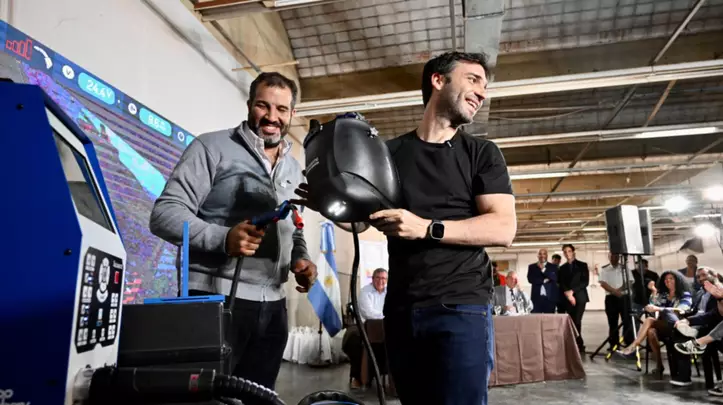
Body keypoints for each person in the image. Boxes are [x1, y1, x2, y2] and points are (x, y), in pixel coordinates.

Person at [295, 51, 516, 405]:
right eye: (473, 80)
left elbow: (503, 228)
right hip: (402, 309)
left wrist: (428, 228)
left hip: (460, 306)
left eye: (484, 86)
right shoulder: (389, 154)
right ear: (438, 80)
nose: (482, 93)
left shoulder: (481, 153)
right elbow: (364, 221)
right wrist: (330, 203)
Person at [149, 72, 317, 402]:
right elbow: (164, 214)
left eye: (281, 109)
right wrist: (223, 238)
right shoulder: (211, 147)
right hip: (215, 300)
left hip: (273, 308)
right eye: (263, 106)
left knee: (258, 398)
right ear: (249, 105)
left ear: (292, 114)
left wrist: (301, 258)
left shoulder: (294, 169)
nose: (271, 117)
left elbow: (293, 227)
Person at [616, 271, 693, 375]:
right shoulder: (664, 295)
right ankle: (659, 365)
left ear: (678, 280)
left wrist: (659, 309)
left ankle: (633, 346)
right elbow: (653, 303)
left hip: (678, 326)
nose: (667, 281)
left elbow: (682, 309)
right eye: (666, 279)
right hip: (664, 326)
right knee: (651, 331)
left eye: (671, 278)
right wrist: (653, 291)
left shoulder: (684, 294)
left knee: (649, 320)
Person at [344, 268, 388, 389]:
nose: (380, 281)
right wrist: (386, 316)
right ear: (372, 279)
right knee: (354, 342)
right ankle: (358, 377)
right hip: (363, 326)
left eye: (383, 278)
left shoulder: (390, 292)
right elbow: (368, 314)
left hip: (385, 327)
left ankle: (391, 379)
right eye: (378, 278)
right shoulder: (365, 292)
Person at [598, 253, 634, 350]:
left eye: (616, 256)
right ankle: (614, 344)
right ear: (609, 257)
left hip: (624, 297)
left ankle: (629, 343)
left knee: (627, 321)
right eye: (612, 256)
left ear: (619, 257)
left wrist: (619, 290)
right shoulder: (604, 269)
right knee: (612, 322)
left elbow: (630, 281)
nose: (614, 258)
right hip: (611, 299)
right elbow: (603, 283)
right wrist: (614, 292)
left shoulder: (625, 268)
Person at [558, 244, 589, 352]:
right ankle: (575, 343)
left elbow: (585, 282)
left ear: (573, 252)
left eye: (569, 251)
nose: (567, 253)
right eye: (565, 252)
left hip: (580, 297)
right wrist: (568, 294)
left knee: (577, 320)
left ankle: (578, 343)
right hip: (567, 298)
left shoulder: (582, 265)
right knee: (571, 321)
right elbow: (561, 283)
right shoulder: (562, 268)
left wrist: (572, 292)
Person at [527, 248, 558, 313]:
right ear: (537, 255)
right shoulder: (532, 267)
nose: (542, 256)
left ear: (547, 255)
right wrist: (543, 280)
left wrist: (543, 269)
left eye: (544, 254)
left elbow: (554, 278)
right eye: (540, 254)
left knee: (549, 318)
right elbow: (530, 279)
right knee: (535, 318)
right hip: (536, 299)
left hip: (549, 299)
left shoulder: (553, 267)